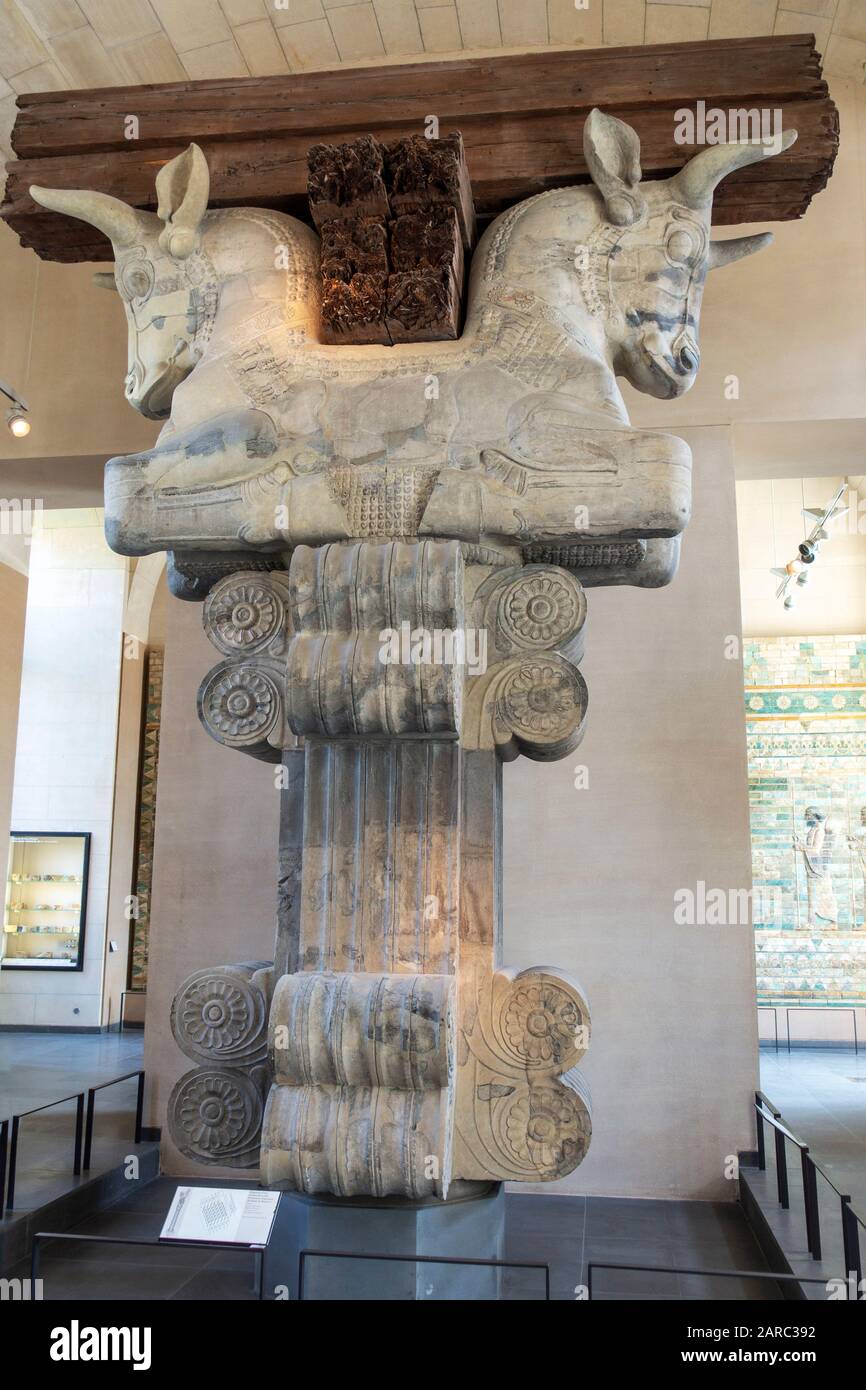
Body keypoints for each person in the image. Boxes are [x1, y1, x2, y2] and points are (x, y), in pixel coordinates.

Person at [793, 805, 838, 929]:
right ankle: (811, 922)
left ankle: (833, 921)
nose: (806, 818)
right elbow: (808, 846)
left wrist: (801, 847)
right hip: (811, 868)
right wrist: (800, 843)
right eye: (806, 815)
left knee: (825, 895)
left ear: (814, 816)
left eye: (808, 815)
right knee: (812, 896)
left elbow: (816, 849)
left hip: (818, 869)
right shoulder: (813, 829)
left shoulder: (819, 830)